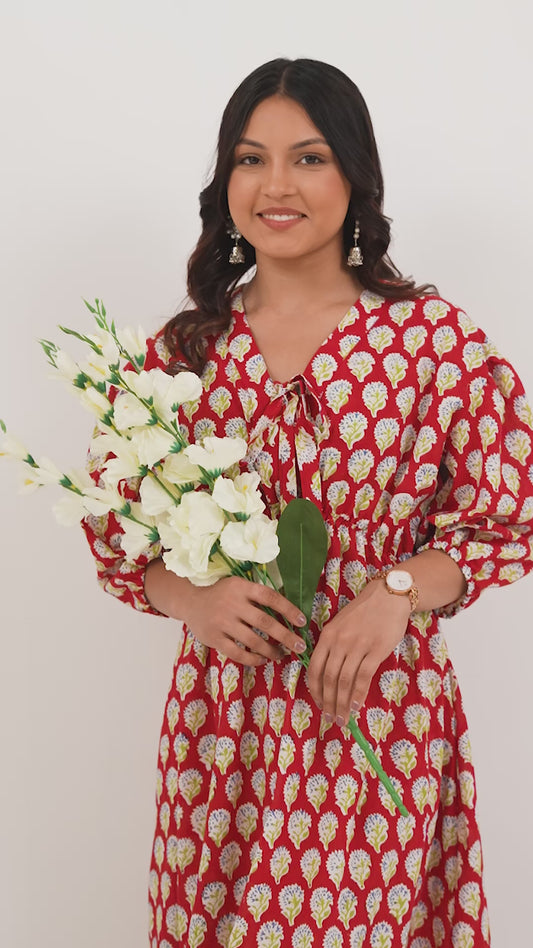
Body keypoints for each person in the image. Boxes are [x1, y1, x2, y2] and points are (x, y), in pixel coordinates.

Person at [82, 58, 533, 948]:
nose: (276, 186)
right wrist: (191, 598)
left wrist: (394, 592)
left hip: (374, 705)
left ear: (356, 175)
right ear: (224, 182)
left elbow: (508, 516)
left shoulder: (433, 342)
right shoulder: (182, 354)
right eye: (250, 160)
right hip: (224, 723)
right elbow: (114, 529)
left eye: (309, 158)